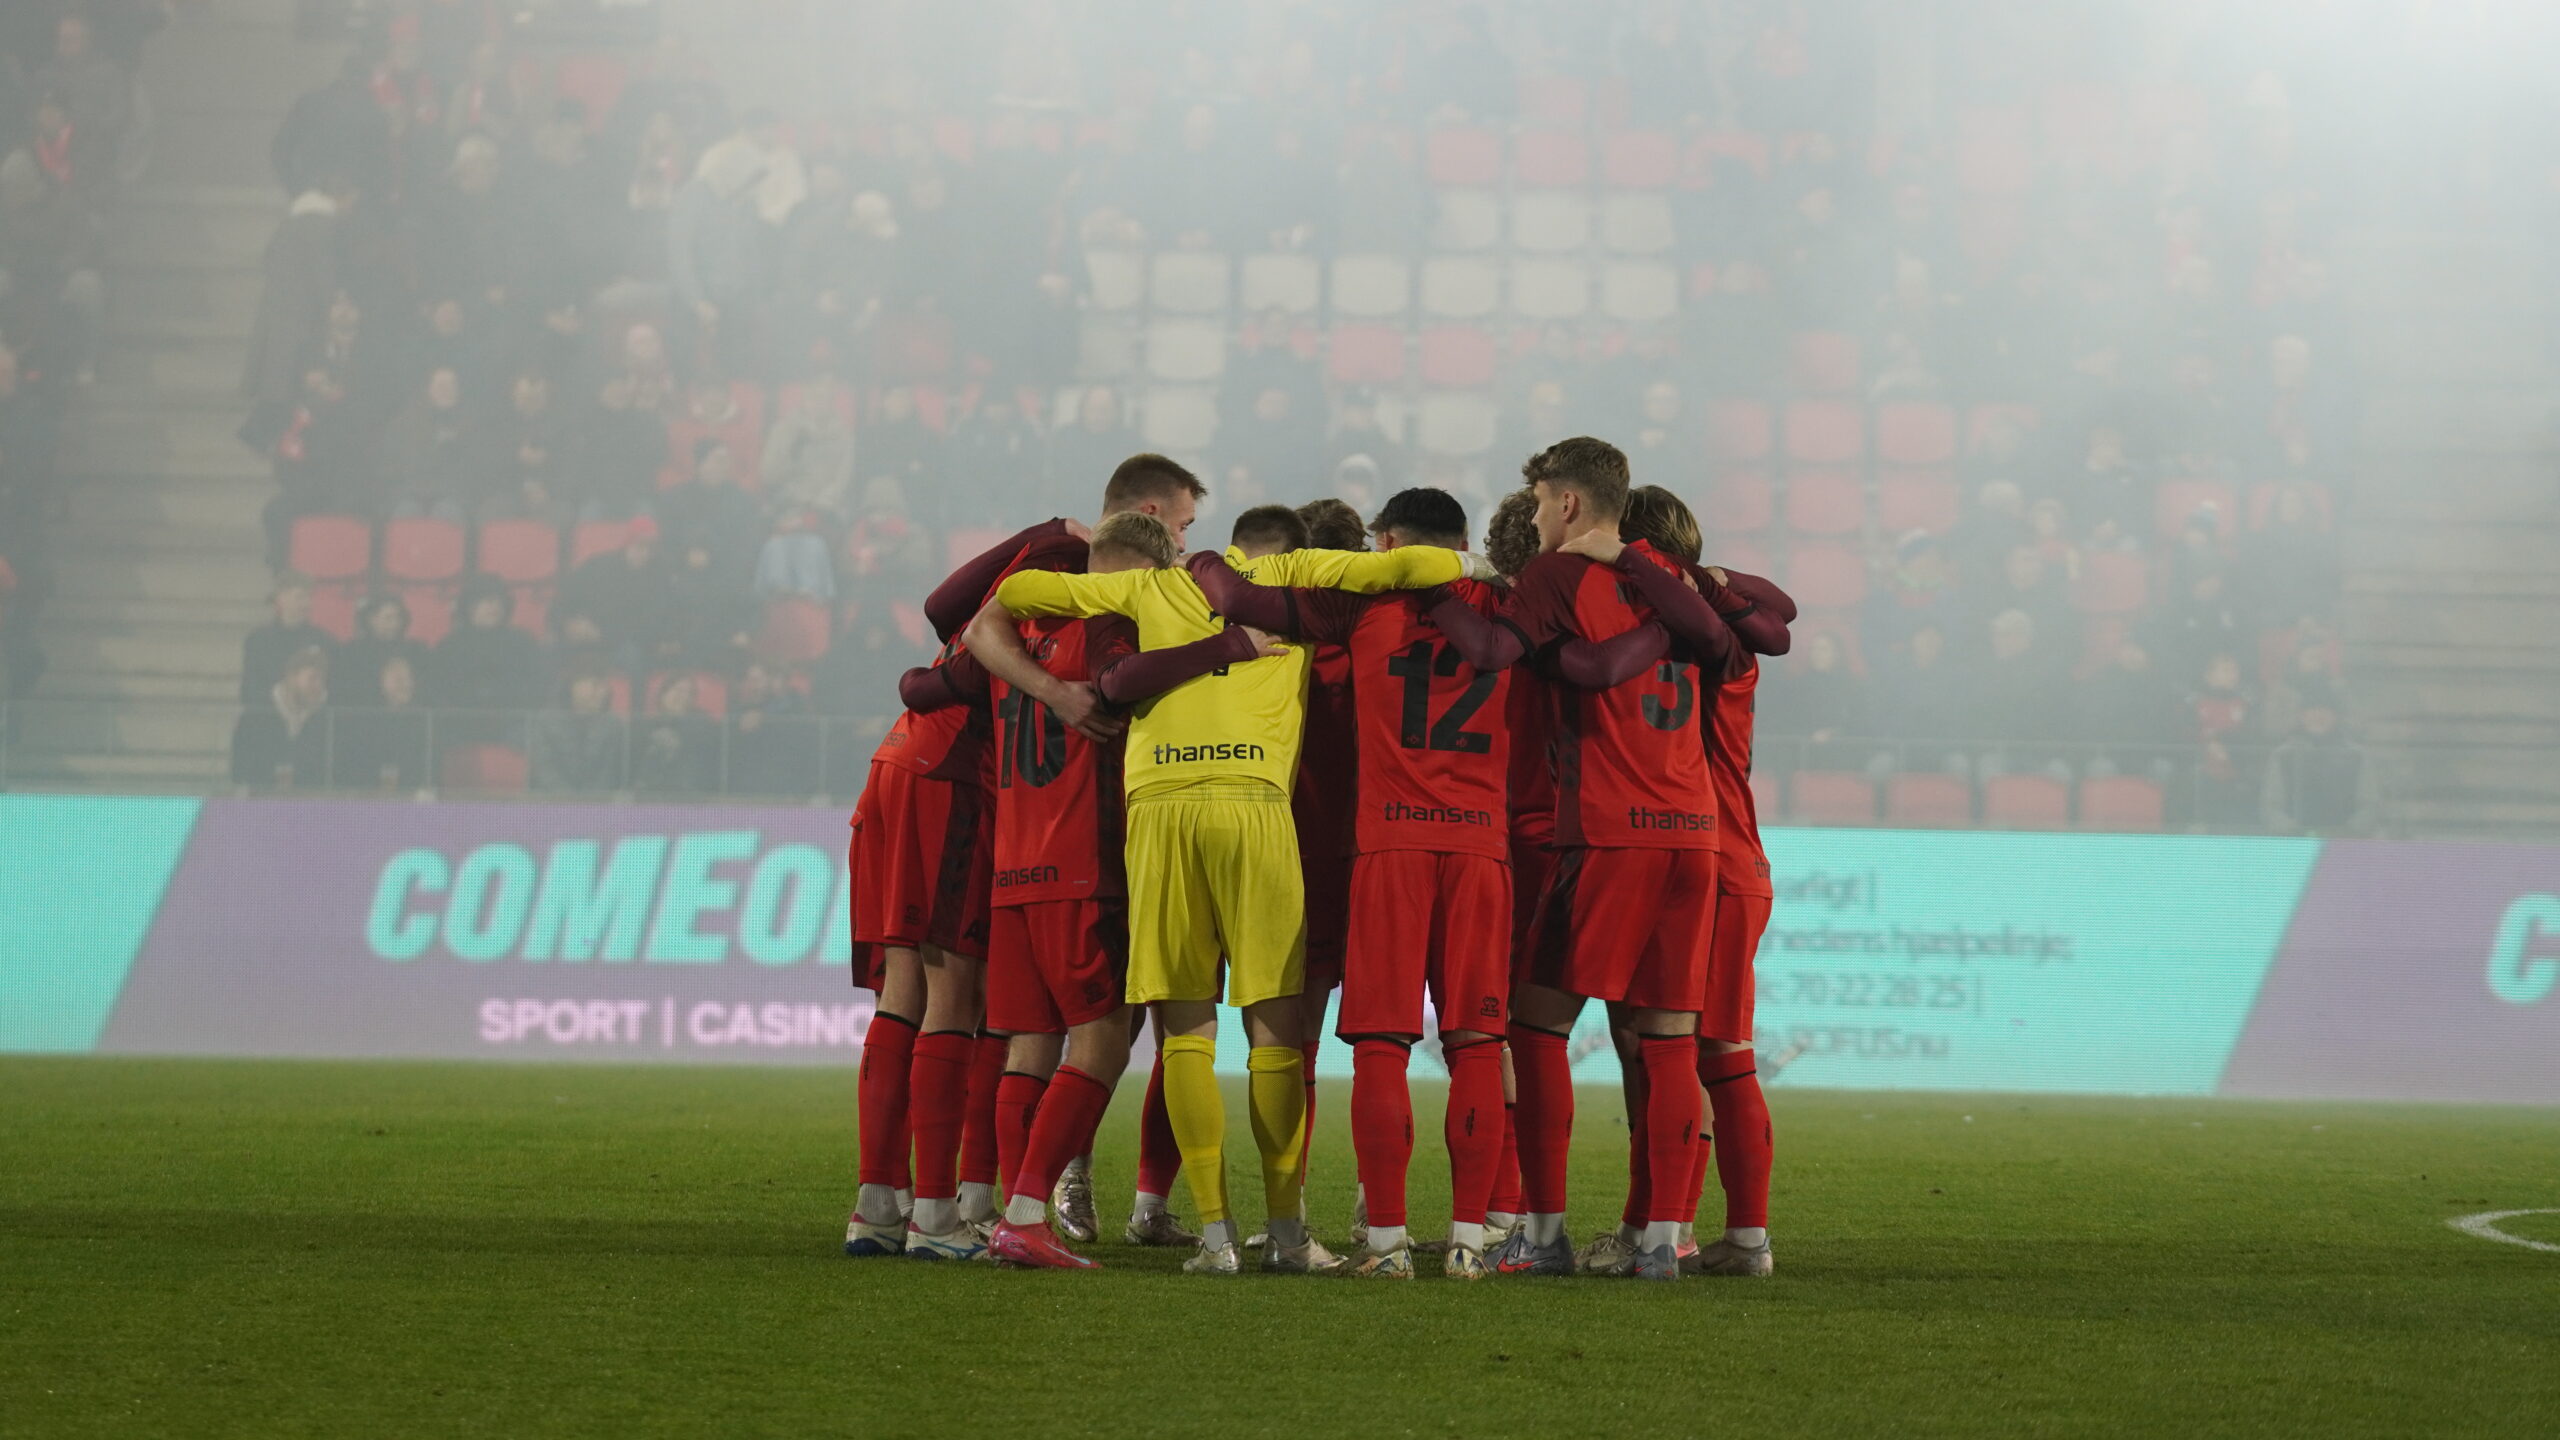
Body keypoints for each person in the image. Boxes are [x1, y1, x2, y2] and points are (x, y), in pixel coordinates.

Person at [962, 461, 1487, 1277]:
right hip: (1255, 806)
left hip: (1161, 810)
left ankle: (1214, 1238)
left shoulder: (1149, 586)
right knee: (1276, 1037)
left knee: (1185, 1034)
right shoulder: (1296, 583)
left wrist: (1082, 559)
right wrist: (1478, 564)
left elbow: (1022, 594)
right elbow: (1399, 568)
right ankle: (1287, 1234)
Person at [842, 456, 1206, 1261]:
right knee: (980, 1006)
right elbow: (976, 660)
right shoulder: (1096, 605)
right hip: (984, 799)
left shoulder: (1031, 600)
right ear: (1149, 522)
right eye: (1183, 529)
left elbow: (945, 638)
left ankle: (921, 1202)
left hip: (956, 803)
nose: (1186, 548)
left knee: (963, 1009)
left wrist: (936, 681)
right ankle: (947, 1211)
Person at [900, 513, 1277, 1270]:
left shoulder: (1017, 633)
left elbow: (925, 679)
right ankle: (1026, 1213)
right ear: (1145, 567)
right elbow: (1119, 685)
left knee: (1032, 1045)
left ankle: (1005, 1212)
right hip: (1084, 863)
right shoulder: (1111, 620)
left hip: (1015, 869)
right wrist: (1229, 648)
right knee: (1103, 1043)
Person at [1186, 487, 1528, 1280]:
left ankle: (1387, 1245)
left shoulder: (1362, 606)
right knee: (1478, 1041)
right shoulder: (1512, 607)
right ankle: (1471, 1242)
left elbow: (1237, 598)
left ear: (1391, 544)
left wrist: (1202, 560)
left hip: (1391, 844)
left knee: (1381, 1044)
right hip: (1481, 846)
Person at [1496, 437, 1741, 1282]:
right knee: (1669, 1040)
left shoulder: (1554, 575)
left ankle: (1543, 1233)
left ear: (1566, 503)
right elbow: (1735, 639)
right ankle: (1661, 1242)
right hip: (1694, 834)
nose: (1535, 518)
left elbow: (1512, 652)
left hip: (1608, 831)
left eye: (1539, 503)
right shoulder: (1672, 582)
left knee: (1535, 1024)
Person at [2262, 691, 2379, 836]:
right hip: (2295, 843)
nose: (2318, 716)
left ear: (2336, 716)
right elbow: (2271, 805)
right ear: (2301, 716)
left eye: (2325, 711)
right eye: (2312, 710)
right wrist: (2294, 833)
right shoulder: (2283, 755)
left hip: (2344, 843)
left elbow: (2369, 804)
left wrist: (2347, 833)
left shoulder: (2357, 755)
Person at [230, 645, 331, 790]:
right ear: (292, 677)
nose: (318, 686)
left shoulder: (325, 718)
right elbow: (241, 769)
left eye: (322, 680)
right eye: (312, 678)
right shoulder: (256, 715)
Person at [333, 654, 430, 792]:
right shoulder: (366, 722)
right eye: (398, 678)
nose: (405, 684)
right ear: (382, 682)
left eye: (407, 678)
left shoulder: (423, 721)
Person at [240, 574, 335, 705]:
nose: (307, 604)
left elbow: (332, 685)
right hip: (268, 713)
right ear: (281, 599)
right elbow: (250, 688)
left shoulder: (324, 640)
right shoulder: (258, 640)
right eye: (300, 597)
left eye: (309, 597)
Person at [531, 668, 628, 794]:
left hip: (598, 802)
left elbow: (609, 774)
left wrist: (591, 801)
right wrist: (568, 799)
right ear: (573, 687)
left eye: (604, 686)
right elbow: (545, 770)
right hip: (554, 800)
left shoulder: (613, 725)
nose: (603, 692)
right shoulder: (545, 722)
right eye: (595, 684)